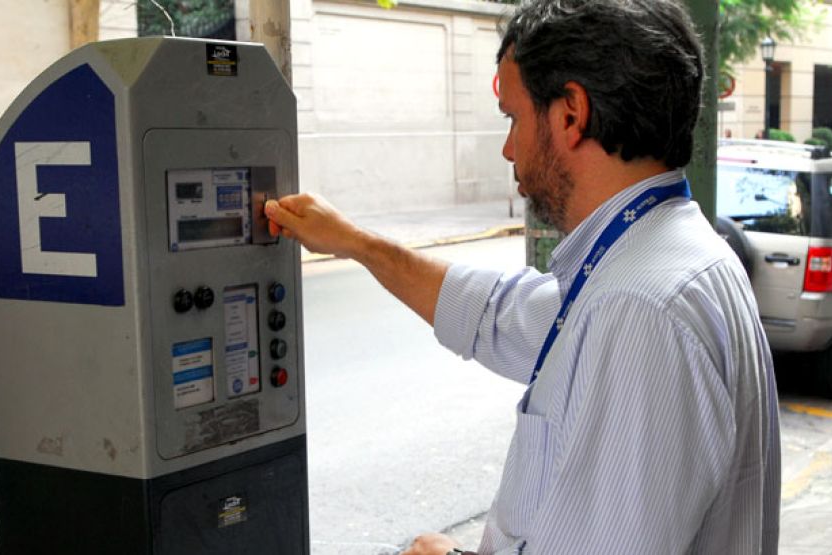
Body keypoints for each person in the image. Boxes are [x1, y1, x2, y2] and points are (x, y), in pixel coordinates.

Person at [265, 0, 781, 553]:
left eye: (512, 118)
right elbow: (495, 313)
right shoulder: (658, 257)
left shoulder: (639, 309)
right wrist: (356, 243)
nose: (509, 147)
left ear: (570, 114)